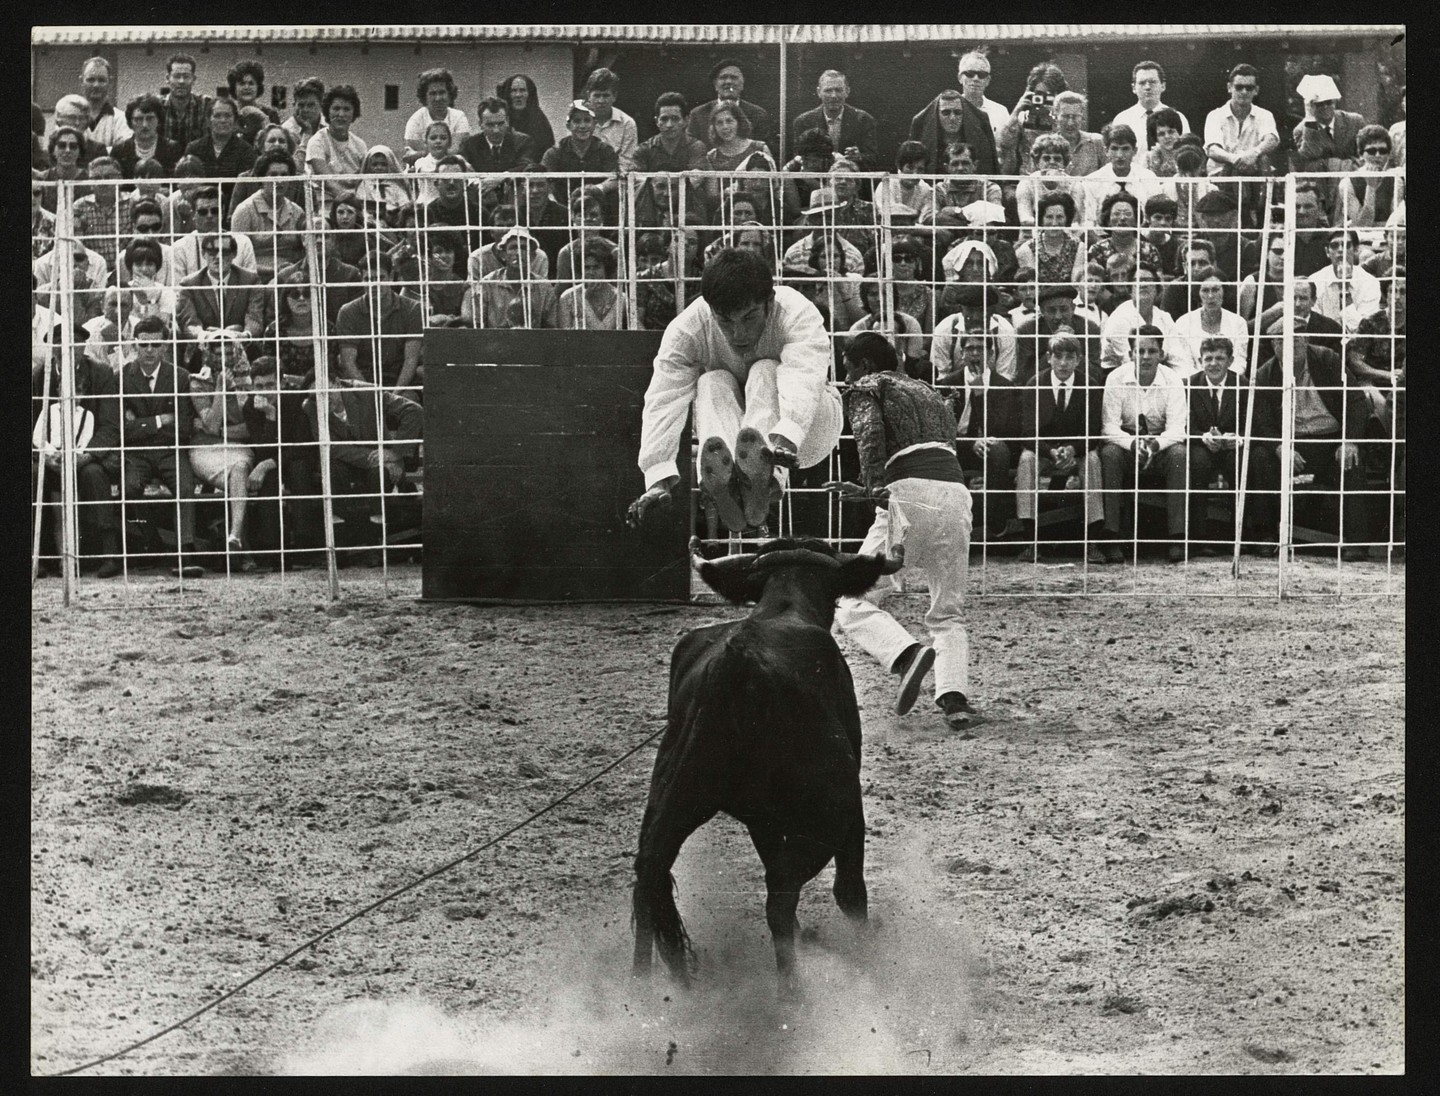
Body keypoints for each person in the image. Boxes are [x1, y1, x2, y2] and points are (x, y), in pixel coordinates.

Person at [627, 248, 843, 533]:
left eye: (749, 318)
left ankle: (763, 476)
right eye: (725, 322)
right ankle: (728, 487)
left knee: (764, 369)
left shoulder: (796, 311)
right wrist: (657, 476)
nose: (738, 334)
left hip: (810, 430)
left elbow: (803, 376)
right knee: (710, 381)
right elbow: (663, 399)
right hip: (738, 423)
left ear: (770, 301)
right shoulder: (688, 328)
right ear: (709, 308)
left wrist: (786, 439)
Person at [827, 332, 977, 729]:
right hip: (956, 493)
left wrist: (874, 487)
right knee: (948, 611)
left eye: (847, 367)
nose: (846, 377)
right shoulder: (928, 389)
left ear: (863, 365)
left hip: (907, 493)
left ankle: (906, 656)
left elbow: (871, 439)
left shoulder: (868, 386)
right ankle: (954, 700)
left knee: (849, 599)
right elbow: (934, 452)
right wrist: (873, 490)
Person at [1253, 317, 1372, 560]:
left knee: (1352, 460)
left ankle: (1357, 542)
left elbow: (1356, 401)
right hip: (1293, 445)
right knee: (1259, 458)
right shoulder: (1265, 375)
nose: (1290, 346)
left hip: (1331, 440)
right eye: (1282, 342)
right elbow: (1262, 422)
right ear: (1273, 346)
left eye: (1296, 340)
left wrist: (1349, 440)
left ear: (1305, 339)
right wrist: (1280, 447)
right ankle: (1264, 536)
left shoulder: (1327, 359)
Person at [31, 319, 123, 577]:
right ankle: (39, 556)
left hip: (87, 453)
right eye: (61, 345)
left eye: (75, 344)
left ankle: (109, 555)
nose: (68, 349)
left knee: (93, 474)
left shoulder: (101, 374)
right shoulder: (41, 377)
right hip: (51, 455)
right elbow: (33, 427)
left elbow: (110, 426)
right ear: (53, 349)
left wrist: (84, 455)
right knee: (32, 474)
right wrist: (47, 456)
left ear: (83, 347)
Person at [119, 314, 204, 576]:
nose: (149, 350)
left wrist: (140, 423)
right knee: (129, 487)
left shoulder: (179, 377)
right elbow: (121, 430)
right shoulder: (121, 377)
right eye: (143, 344)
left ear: (165, 345)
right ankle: (150, 540)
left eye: (155, 345)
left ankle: (185, 548)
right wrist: (160, 420)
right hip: (137, 454)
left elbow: (184, 427)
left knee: (185, 484)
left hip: (171, 450)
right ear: (134, 344)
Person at [302, 378, 423, 561]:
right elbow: (333, 447)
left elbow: (414, 411)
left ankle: (376, 543)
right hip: (349, 462)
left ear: (337, 384)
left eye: (327, 392)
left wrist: (395, 453)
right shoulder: (311, 407)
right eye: (316, 396)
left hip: (381, 464)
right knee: (332, 468)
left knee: (379, 474)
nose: (323, 399)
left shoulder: (367, 393)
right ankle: (339, 547)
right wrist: (376, 458)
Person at [1013, 333, 1107, 562]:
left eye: (1069, 357)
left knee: (1093, 461)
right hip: (1044, 450)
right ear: (1048, 358)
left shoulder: (1090, 385)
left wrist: (1074, 450)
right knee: (1026, 460)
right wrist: (1050, 451)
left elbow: (1094, 432)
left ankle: (1092, 541)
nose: (1063, 363)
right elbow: (1027, 433)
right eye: (1058, 356)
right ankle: (1030, 540)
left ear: (1079, 359)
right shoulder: (1035, 384)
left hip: (1078, 449)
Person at [1098, 325, 1189, 561]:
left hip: (1161, 446)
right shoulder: (1116, 378)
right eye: (1140, 351)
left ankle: (1177, 538)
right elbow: (1108, 427)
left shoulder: (1173, 380)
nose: (1146, 356)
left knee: (1180, 454)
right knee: (1108, 454)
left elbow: (1178, 429)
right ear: (1130, 354)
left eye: (1152, 350)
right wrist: (1132, 444)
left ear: (1161, 354)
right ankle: (1111, 537)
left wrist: (1156, 445)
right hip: (1126, 444)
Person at [1184, 336, 1280, 554]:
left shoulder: (1244, 386)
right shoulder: (1189, 385)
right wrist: (1203, 436)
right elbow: (1182, 423)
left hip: (1234, 447)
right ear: (1200, 360)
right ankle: (1199, 539)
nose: (1213, 364)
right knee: (1196, 462)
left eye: (1220, 358)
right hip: (1202, 446)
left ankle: (1243, 535)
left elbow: (1257, 424)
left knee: (1244, 462)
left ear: (1230, 361)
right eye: (1208, 359)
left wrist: (1237, 438)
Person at [186, 330, 260, 572]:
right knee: (236, 473)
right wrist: (219, 388)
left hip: (238, 447)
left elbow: (251, 427)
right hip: (205, 449)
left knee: (239, 468)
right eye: (218, 354)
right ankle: (241, 546)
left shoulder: (250, 380)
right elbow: (212, 423)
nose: (224, 359)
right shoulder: (198, 381)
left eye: (229, 352)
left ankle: (235, 538)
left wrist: (216, 430)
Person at [945, 330, 1022, 539]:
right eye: (970, 348)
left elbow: (1000, 428)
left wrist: (979, 391)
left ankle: (992, 519)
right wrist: (969, 443)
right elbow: (942, 427)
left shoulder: (1003, 386)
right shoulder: (947, 383)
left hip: (991, 447)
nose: (975, 353)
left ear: (990, 354)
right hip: (958, 446)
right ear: (961, 353)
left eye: (981, 348)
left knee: (998, 449)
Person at [334, 247, 424, 391]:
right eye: (368, 279)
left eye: (380, 278)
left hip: (400, 382)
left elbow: (410, 360)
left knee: (409, 408)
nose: (374, 284)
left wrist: (394, 395)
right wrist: (372, 395)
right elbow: (348, 362)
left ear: (391, 277)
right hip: (362, 382)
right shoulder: (348, 312)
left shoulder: (412, 309)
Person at [1203, 64, 1279, 225]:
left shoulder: (1264, 115)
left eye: (1249, 88)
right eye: (1239, 87)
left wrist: (1254, 153)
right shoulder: (1215, 115)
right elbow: (1212, 149)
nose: (1244, 92)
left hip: (1255, 175)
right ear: (1229, 88)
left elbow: (1271, 139)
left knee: (1263, 161)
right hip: (1222, 177)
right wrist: (1235, 159)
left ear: (1256, 90)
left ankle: (1260, 223)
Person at [1290, 73, 1368, 219]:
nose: (1325, 107)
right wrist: (1310, 117)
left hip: (1352, 182)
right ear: (1311, 106)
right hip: (1322, 187)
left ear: (1335, 102)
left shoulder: (1354, 121)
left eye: (1329, 102)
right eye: (1319, 104)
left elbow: (1365, 151)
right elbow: (1310, 154)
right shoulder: (1302, 129)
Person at [177, 231, 267, 343]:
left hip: (242, 346)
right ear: (203, 253)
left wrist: (244, 336)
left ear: (234, 254)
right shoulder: (189, 285)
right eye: (212, 252)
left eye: (225, 252)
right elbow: (190, 324)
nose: (219, 257)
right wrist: (207, 336)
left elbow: (255, 319)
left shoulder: (251, 281)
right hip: (203, 348)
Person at [230, 150, 307, 281]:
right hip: (255, 279)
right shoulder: (244, 211)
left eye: (284, 175)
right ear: (261, 177)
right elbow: (237, 260)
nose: (279, 180)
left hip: (292, 278)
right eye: (273, 174)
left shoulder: (297, 211)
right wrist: (273, 271)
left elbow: (304, 252)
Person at [463, 226, 559, 330]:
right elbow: (477, 324)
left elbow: (551, 327)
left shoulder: (544, 287)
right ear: (503, 255)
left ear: (532, 256)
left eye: (523, 248)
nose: (518, 253)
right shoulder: (487, 284)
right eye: (513, 248)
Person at [1165, 267, 1249, 379]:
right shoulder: (1183, 323)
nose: (1210, 296)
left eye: (1215, 290)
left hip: (1229, 385)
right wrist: (1205, 383)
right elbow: (1183, 366)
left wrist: (1220, 381)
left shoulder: (1238, 323)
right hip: (1194, 386)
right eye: (1205, 290)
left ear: (1224, 291)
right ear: (1198, 293)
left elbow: (1239, 362)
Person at [791, 69, 878, 171]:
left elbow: (874, 158)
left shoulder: (863, 120)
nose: (834, 96)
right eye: (828, 90)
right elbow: (798, 157)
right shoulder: (803, 121)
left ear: (847, 92)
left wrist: (859, 157)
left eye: (838, 90)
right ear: (819, 92)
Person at [1014, 283, 1102, 384]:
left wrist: (1073, 344)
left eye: (1064, 309)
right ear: (1042, 311)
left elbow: (1096, 376)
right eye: (1051, 311)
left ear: (1073, 308)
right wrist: (1054, 345)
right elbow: (1025, 377)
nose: (1058, 316)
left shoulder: (1089, 329)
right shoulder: (1027, 331)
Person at [996, 61, 1070, 179]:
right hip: (1028, 179)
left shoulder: (1065, 120)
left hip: (1060, 178)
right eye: (1039, 94)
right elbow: (1003, 142)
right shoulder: (1022, 119)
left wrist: (1055, 114)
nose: (1043, 99)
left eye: (1049, 95)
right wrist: (1018, 109)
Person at [633, 91, 709, 204]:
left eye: (675, 118)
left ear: (686, 121)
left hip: (687, 205)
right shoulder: (644, 149)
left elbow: (696, 178)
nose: (669, 124)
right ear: (657, 121)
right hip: (653, 205)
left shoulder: (696, 147)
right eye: (664, 119)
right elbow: (636, 180)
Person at [541, 100, 621, 204]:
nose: (582, 126)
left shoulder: (605, 150)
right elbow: (545, 180)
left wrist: (595, 189)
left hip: (598, 207)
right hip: (564, 207)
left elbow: (614, 179)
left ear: (594, 124)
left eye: (587, 120)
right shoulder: (554, 153)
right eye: (577, 121)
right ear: (568, 126)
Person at [1082, 124, 1161, 226]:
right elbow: (1088, 223)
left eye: (1125, 149)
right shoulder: (1092, 182)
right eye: (1114, 149)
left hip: (1141, 237)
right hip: (1102, 238)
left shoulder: (1149, 179)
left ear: (1135, 151)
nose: (1119, 155)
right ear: (1106, 151)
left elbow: (1155, 221)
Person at [1101, 263, 1174, 373]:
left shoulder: (1165, 318)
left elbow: (1178, 358)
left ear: (1156, 288)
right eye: (1137, 281)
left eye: (1148, 280)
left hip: (1161, 374)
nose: (1143, 285)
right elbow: (1132, 362)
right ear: (1130, 289)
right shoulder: (1120, 318)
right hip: (1121, 376)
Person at [1111, 61, 1190, 159]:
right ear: (1133, 88)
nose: (1148, 87)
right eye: (1142, 83)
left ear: (1163, 86)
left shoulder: (1178, 117)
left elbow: (1187, 153)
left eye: (1152, 82)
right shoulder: (1122, 120)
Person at [910, 89, 997, 176]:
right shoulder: (922, 129)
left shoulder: (979, 127)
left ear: (964, 113)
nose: (952, 118)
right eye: (946, 113)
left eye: (958, 112)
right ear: (937, 114)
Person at [307, 85, 367, 207]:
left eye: (347, 109)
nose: (341, 114)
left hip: (355, 206)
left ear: (354, 113)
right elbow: (328, 181)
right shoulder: (317, 142)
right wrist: (353, 203)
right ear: (327, 112)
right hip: (325, 204)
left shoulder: (360, 145)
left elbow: (365, 181)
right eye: (336, 108)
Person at [688, 59, 771, 148]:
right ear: (715, 84)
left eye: (734, 77)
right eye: (723, 77)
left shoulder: (758, 114)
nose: (728, 82)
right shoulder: (698, 114)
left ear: (742, 83)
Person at [1309, 228, 1381, 329]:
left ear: (1356, 249)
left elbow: (1365, 331)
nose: (1340, 250)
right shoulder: (1315, 281)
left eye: (1347, 245)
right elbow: (1315, 326)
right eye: (1334, 246)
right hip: (1324, 342)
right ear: (1327, 252)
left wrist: (1345, 292)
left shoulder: (1370, 283)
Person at [1336, 125, 1402, 228]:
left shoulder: (1395, 179)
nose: (1377, 155)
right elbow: (1363, 225)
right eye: (1371, 151)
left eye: (1383, 151)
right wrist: (1370, 187)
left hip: (1388, 237)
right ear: (1361, 155)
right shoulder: (1347, 183)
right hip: (1360, 238)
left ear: (1388, 154)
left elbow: (1395, 222)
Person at [1014, 133, 1085, 226]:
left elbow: (1075, 221)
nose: (1052, 162)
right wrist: (1050, 227)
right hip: (1032, 233)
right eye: (1046, 158)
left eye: (1057, 159)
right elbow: (1025, 218)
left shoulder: (1075, 185)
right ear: (1037, 162)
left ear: (1065, 163)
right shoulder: (1026, 184)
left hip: (1066, 233)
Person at [558, 236, 625, 330]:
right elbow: (564, 336)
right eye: (587, 267)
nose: (591, 272)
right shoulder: (567, 297)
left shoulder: (619, 297)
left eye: (596, 267)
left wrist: (583, 300)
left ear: (606, 268)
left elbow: (602, 332)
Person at [404, 68, 471, 161]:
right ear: (424, 96)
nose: (438, 98)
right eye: (432, 93)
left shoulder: (459, 117)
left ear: (449, 94)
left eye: (442, 92)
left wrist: (421, 153)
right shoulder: (415, 120)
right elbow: (411, 157)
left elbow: (455, 151)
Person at [459, 96, 537, 176]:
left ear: (507, 121)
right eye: (490, 125)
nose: (496, 130)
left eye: (500, 124)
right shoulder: (469, 144)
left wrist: (500, 178)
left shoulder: (523, 141)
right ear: (480, 124)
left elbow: (525, 167)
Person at [111, 92, 182, 177]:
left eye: (150, 118)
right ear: (130, 122)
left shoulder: (172, 149)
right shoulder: (120, 150)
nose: (145, 125)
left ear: (159, 120)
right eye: (138, 119)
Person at [582, 68, 638, 175]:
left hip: (616, 180)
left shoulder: (627, 123)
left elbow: (626, 163)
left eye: (606, 95)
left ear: (614, 96)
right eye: (597, 95)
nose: (601, 101)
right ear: (589, 95)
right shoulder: (579, 121)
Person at [160, 52, 212, 150]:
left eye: (186, 76)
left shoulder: (206, 104)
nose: (181, 81)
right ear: (167, 78)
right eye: (176, 76)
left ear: (194, 79)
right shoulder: (157, 106)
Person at [874, 140, 935, 222]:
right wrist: (916, 213)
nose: (915, 174)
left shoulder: (925, 188)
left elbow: (925, 217)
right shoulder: (886, 185)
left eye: (920, 169)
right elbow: (890, 215)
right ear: (900, 166)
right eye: (910, 168)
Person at [1048, 91, 1105, 177]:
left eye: (1075, 117)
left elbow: (1108, 175)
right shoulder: (1047, 144)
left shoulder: (1096, 142)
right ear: (1056, 116)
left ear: (1082, 117)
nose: (1070, 123)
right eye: (1065, 116)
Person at [498, 73, 555, 158]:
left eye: (522, 90)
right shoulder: (499, 121)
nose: (518, 95)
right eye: (513, 91)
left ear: (529, 94)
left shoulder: (540, 122)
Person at [79, 56, 131, 150]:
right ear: (81, 81)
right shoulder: (71, 117)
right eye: (91, 79)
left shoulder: (121, 119)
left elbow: (121, 152)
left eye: (101, 80)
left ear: (110, 82)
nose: (96, 85)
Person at [228, 59, 280, 127]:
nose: (247, 87)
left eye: (251, 83)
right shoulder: (229, 114)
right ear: (234, 88)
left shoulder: (271, 114)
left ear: (258, 87)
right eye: (242, 83)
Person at [282, 77, 325, 149]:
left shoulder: (330, 126)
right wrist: (307, 133)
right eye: (301, 105)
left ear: (321, 105)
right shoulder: (286, 131)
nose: (305, 110)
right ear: (294, 106)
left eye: (311, 105)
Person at [1144, 107, 1187, 178]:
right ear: (1156, 138)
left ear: (1178, 132)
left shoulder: (1188, 155)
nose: (1167, 137)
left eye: (1171, 132)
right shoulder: (1148, 159)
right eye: (1161, 134)